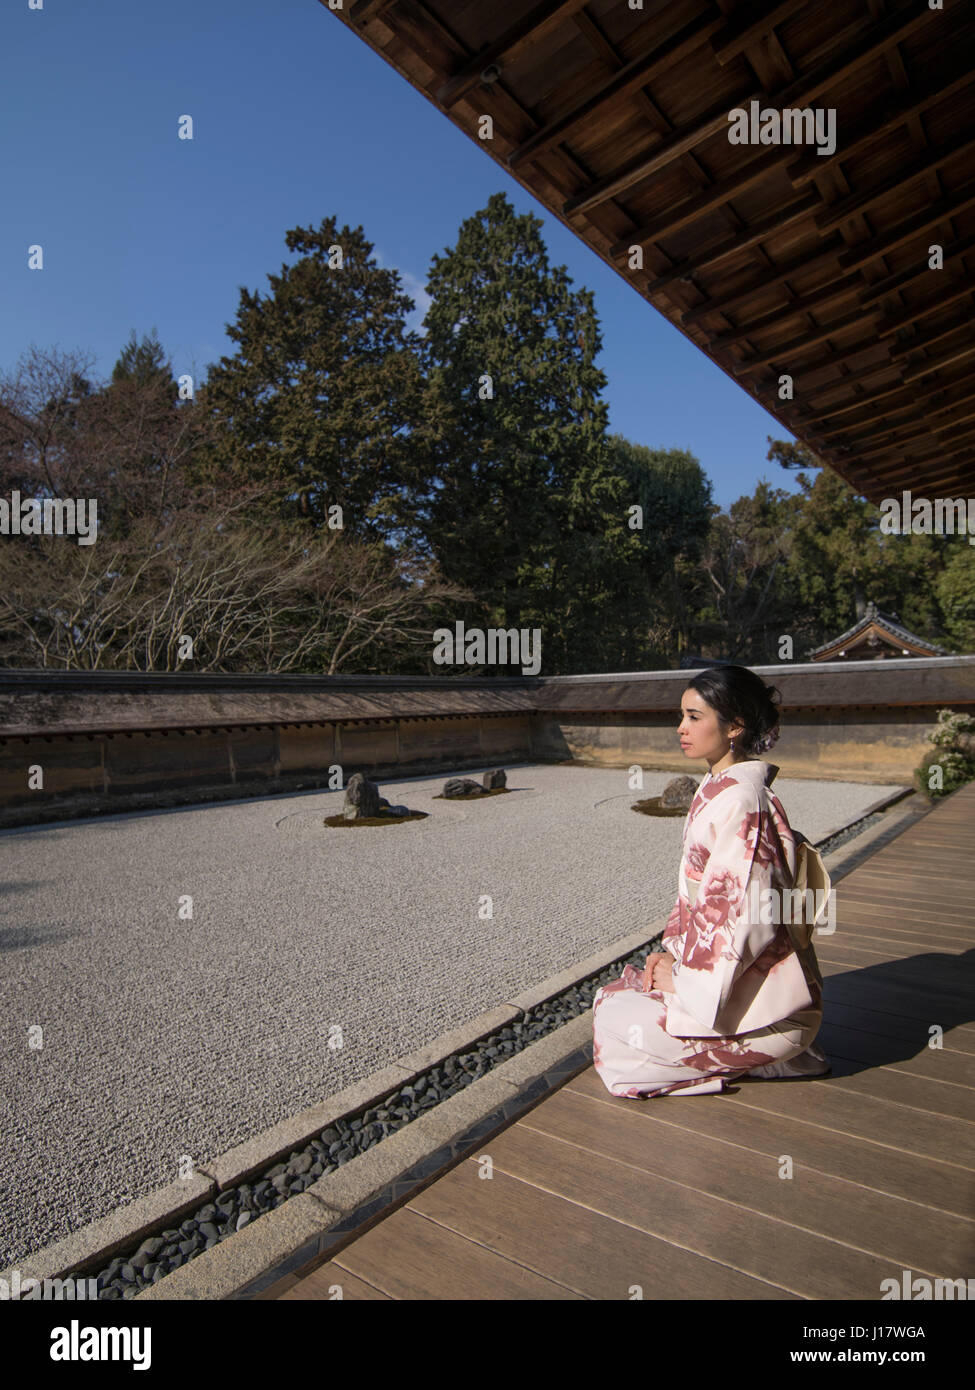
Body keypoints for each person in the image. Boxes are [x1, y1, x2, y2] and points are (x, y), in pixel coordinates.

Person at [591, 664, 830, 1098]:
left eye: (694, 717)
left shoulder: (744, 801)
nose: (680, 728)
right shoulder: (719, 786)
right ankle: (752, 1056)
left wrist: (684, 981)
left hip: (767, 1006)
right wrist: (674, 957)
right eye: (681, 716)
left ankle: (775, 1051)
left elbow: (744, 919)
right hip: (722, 982)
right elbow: (696, 902)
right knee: (611, 999)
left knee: (617, 1029)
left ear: (735, 726)